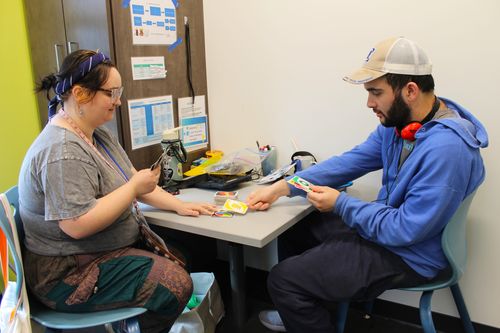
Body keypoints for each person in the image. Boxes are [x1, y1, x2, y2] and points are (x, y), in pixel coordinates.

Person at [247, 37, 488, 332]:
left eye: (376, 92)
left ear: (410, 90)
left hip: (411, 254)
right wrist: (284, 187)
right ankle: (304, 312)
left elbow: (405, 229)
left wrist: (342, 203)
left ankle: (299, 303)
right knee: (295, 229)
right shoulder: (399, 126)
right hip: (390, 232)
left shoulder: (446, 149)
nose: (369, 103)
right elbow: (349, 162)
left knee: (284, 281)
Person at [18, 49, 217, 333]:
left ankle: (129, 323)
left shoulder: (95, 132)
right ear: (80, 93)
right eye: (111, 93)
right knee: (174, 285)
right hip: (67, 274)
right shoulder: (61, 151)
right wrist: (134, 187)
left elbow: (131, 179)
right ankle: (129, 328)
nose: (118, 100)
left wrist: (178, 206)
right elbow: (77, 224)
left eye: (118, 91)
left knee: (186, 253)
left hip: (99, 253)